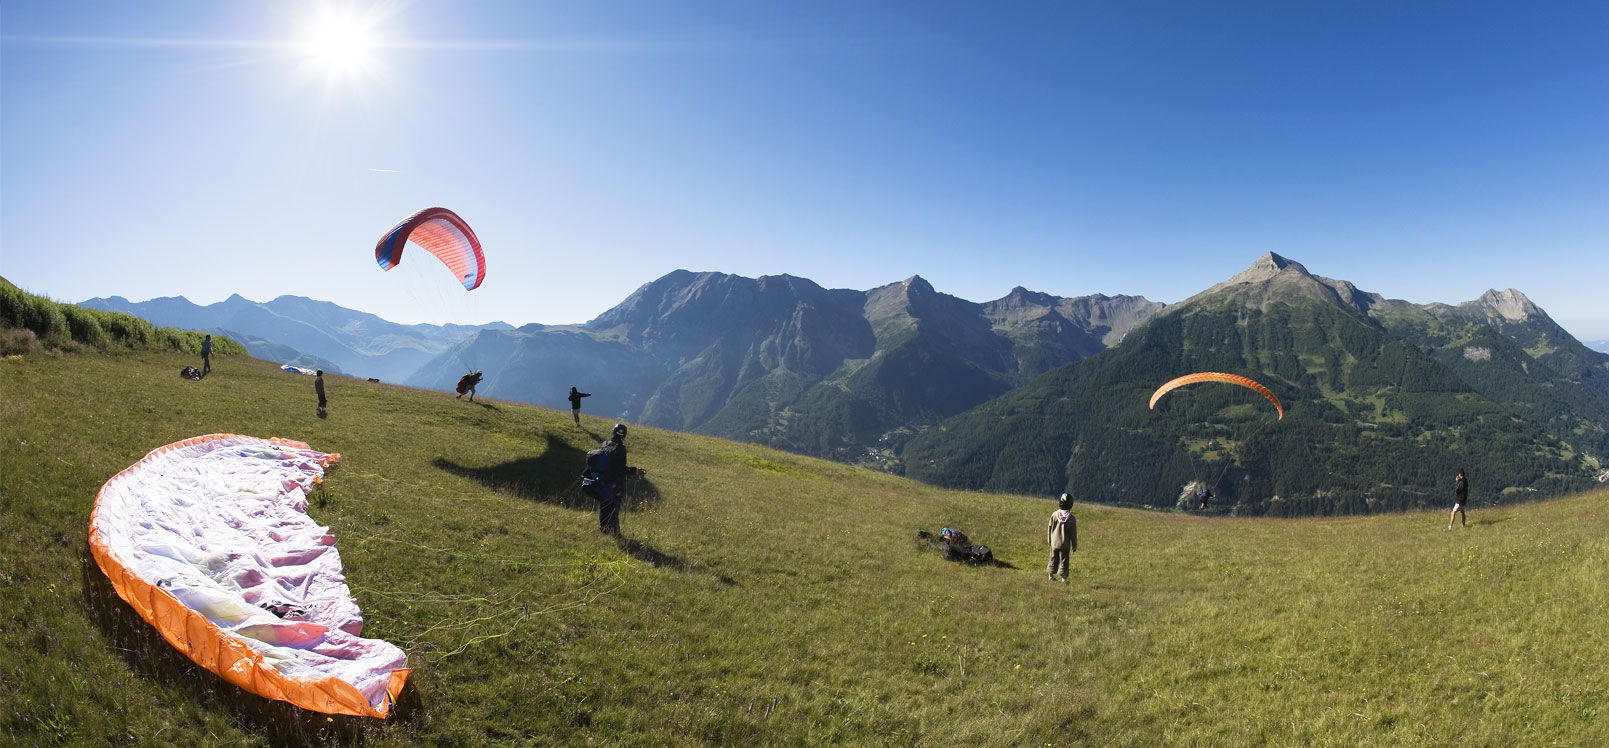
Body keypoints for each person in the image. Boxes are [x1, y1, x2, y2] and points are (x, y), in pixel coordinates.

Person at [593, 423, 643, 535]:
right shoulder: (620, 449)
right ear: (624, 435)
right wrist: (634, 471)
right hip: (615, 485)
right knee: (613, 509)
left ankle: (603, 530)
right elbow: (621, 469)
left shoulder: (604, 445)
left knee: (604, 507)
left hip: (602, 482)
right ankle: (615, 533)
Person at [1047, 493, 1077, 583]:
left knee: (1053, 559)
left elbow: (1049, 528)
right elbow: (1073, 533)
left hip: (1054, 543)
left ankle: (1050, 575)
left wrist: (1049, 540)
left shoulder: (1054, 515)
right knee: (1064, 561)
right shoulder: (1071, 518)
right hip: (1065, 544)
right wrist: (1074, 545)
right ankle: (1064, 578)